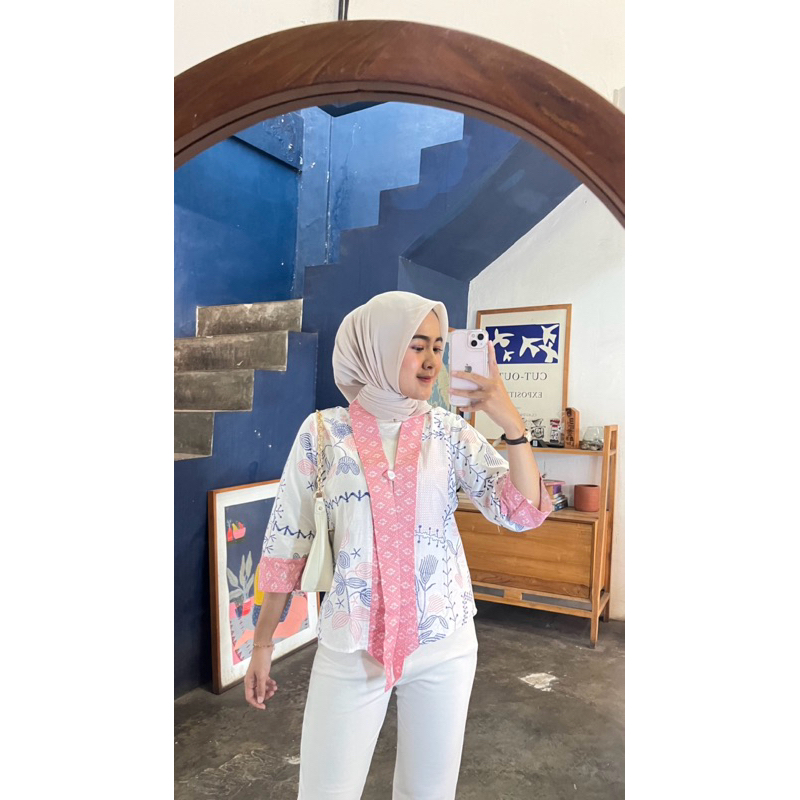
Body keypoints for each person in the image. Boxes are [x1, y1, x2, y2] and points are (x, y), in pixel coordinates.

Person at [244, 291, 553, 800]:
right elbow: (287, 541)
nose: (432, 360)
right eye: (416, 345)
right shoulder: (323, 433)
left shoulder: (447, 432)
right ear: (379, 348)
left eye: (438, 346)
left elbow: (521, 511)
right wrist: (262, 644)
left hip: (443, 643)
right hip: (352, 643)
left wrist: (512, 424)